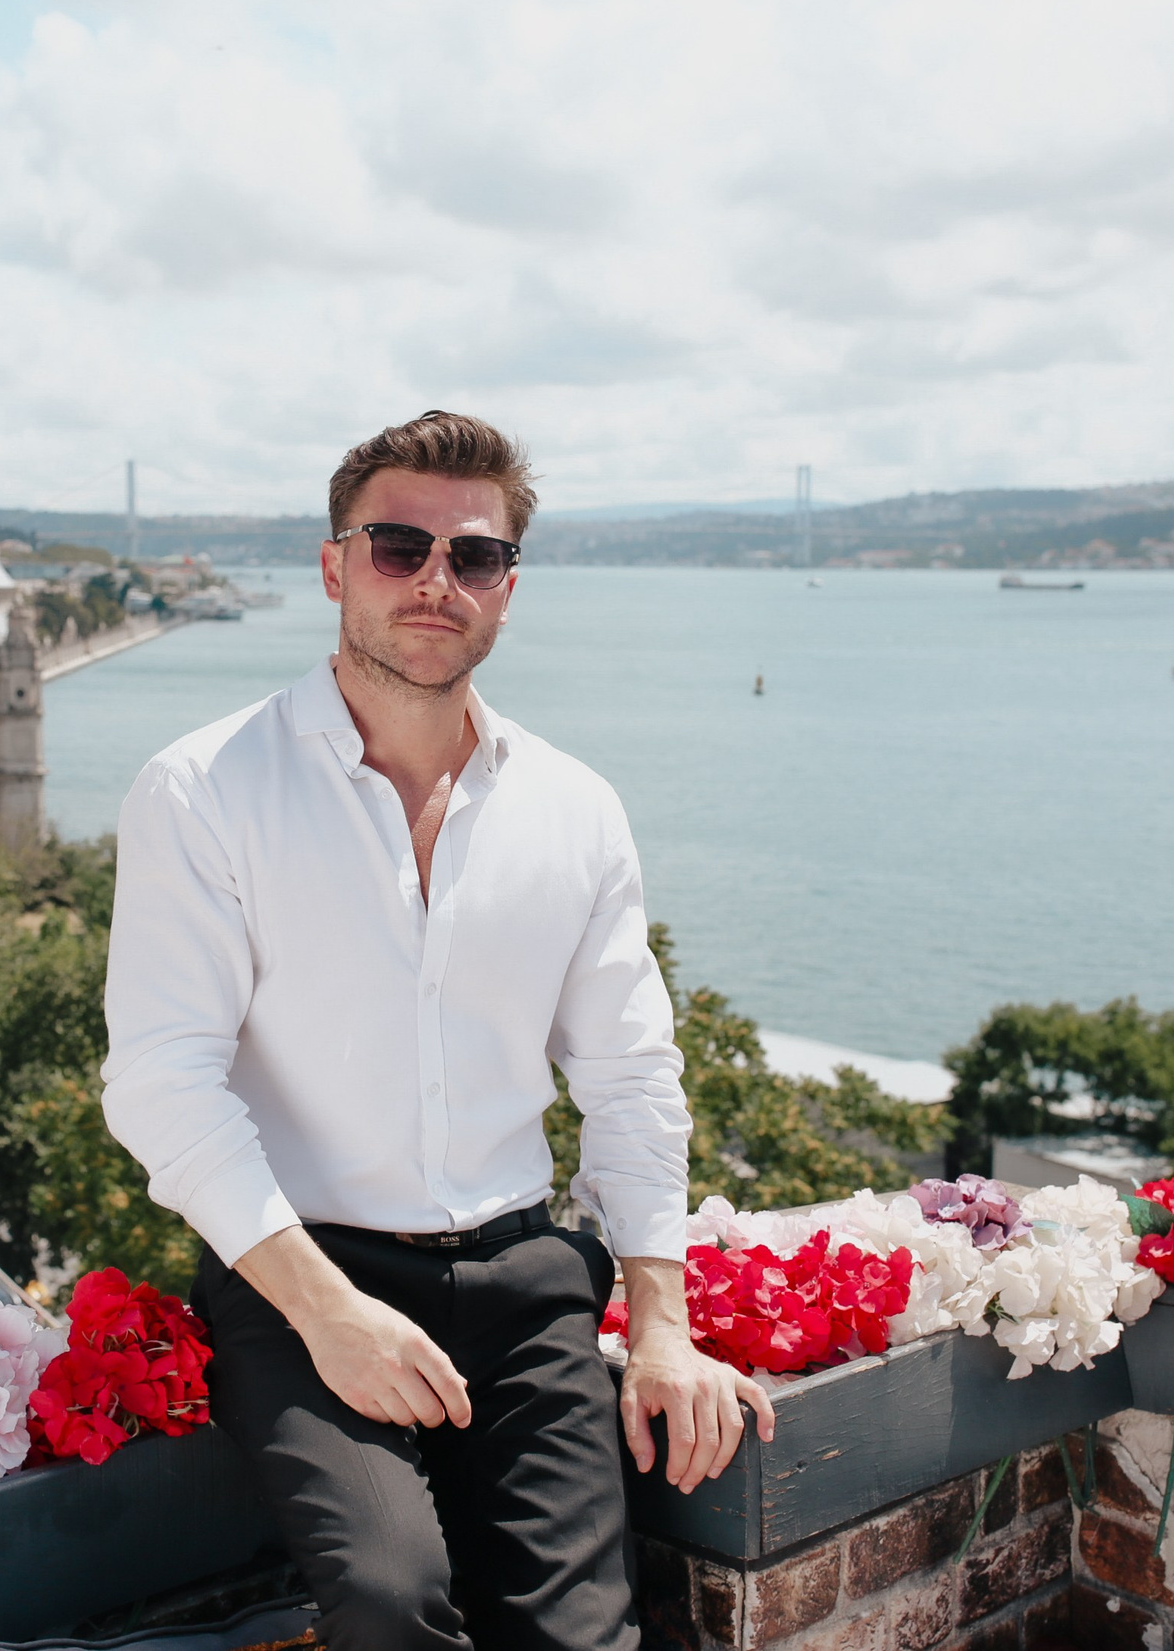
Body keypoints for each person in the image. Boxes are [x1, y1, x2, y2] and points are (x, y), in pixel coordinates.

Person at [101, 411, 773, 1650]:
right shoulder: (204, 791)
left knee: (580, 1639)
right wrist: (327, 1313)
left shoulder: (575, 808)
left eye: (473, 555)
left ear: (508, 585)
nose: (434, 580)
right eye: (398, 547)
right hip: (303, 1280)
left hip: (523, 1286)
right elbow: (159, 1081)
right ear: (333, 567)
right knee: (391, 1599)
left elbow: (629, 1076)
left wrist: (662, 1330)